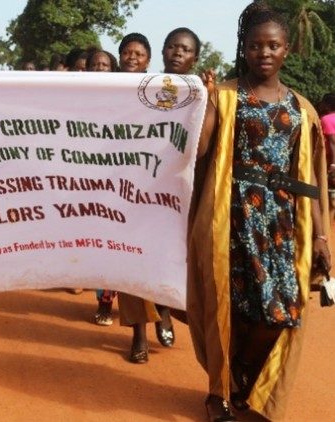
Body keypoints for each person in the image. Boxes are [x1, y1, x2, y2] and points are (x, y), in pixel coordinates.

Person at [189, 3, 330, 420]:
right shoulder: (227, 94)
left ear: (287, 49)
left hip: (282, 224)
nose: (263, 53)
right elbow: (200, 152)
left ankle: (245, 375)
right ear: (244, 49)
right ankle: (219, 394)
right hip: (231, 218)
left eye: (273, 45)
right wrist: (205, 101)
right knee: (230, 309)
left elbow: (312, 182)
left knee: (278, 312)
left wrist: (321, 236)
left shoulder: (303, 110)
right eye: (255, 46)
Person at [113, 32, 176, 364]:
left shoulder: (163, 90)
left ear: (148, 59)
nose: (131, 57)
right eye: (126, 52)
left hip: (159, 189)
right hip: (119, 191)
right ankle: (139, 336)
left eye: (138, 53)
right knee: (128, 263)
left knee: (160, 258)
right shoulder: (106, 90)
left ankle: (163, 309)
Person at [84, 49, 120, 325]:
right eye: (94, 64)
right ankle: (103, 302)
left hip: (122, 181)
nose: (99, 68)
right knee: (100, 246)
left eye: (105, 65)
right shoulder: (75, 97)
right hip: (86, 182)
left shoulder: (125, 96)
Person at [318, 93, 335, 222]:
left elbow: (332, 142)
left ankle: (327, 224)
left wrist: (333, 164)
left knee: (328, 194)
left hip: (330, 161)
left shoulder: (326, 119)